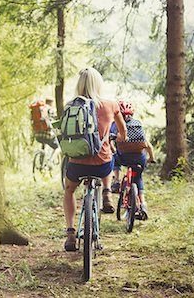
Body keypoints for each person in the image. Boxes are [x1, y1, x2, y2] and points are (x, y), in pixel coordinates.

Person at [63, 67, 127, 251]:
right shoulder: (110, 104)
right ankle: (107, 192)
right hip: (102, 165)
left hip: (77, 164)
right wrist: (119, 139)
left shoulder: (71, 105)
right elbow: (122, 132)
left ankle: (70, 233)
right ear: (99, 84)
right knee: (110, 156)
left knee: (69, 191)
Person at [110, 100, 155, 220]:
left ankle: (117, 180)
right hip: (139, 158)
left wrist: (113, 149)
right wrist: (151, 158)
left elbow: (110, 141)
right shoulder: (138, 124)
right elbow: (147, 144)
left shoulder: (115, 125)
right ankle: (143, 205)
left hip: (123, 158)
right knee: (138, 178)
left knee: (114, 156)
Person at [32, 97, 61, 164]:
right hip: (48, 134)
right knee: (58, 148)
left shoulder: (41, 109)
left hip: (37, 135)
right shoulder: (50, 109)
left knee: (44, 144)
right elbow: (55, 120)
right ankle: (50, 162)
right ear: (51, 103)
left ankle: (41, 163)